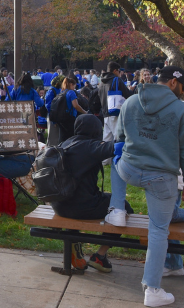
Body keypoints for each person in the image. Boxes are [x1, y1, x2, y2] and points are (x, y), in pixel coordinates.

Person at [106, 66, 184, 307]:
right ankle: (152, 289)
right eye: (183, 88)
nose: (183, 94)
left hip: (130, 170)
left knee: (117, 157)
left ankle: (116, 209)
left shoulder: (131, 101)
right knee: (158, 230)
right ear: (173, 84)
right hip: (162, 179)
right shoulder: (181, 110)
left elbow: (121, 139)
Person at [51, 114, 135, 272]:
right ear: (96, 130)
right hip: (82, 207)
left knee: (77, 197)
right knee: (123, 208)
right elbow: (120, 147)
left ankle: (74, 244)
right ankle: (100, 256)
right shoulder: (91, 146)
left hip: (59, 204)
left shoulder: (66, 142)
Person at [98, 61, 135, 147]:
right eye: (119, 71)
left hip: (105, 113)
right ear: (115, 71)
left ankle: (105, 160)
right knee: (118, 138)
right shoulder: (116, 80)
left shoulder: (101, 82)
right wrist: (131, 90)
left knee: (106, 141)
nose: (120, 73)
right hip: (115, 112)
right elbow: (127, 94)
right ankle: (118, 159)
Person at [55, 76, 86, 143]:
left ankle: (61, 150)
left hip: (60, 118)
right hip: (69, 117)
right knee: (71, 137)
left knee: (62, 137)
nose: (75, 87)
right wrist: (84, 112)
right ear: (71, 84)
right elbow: (76, 105)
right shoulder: (71, 92)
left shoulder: (61, 92)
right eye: (74, 85)